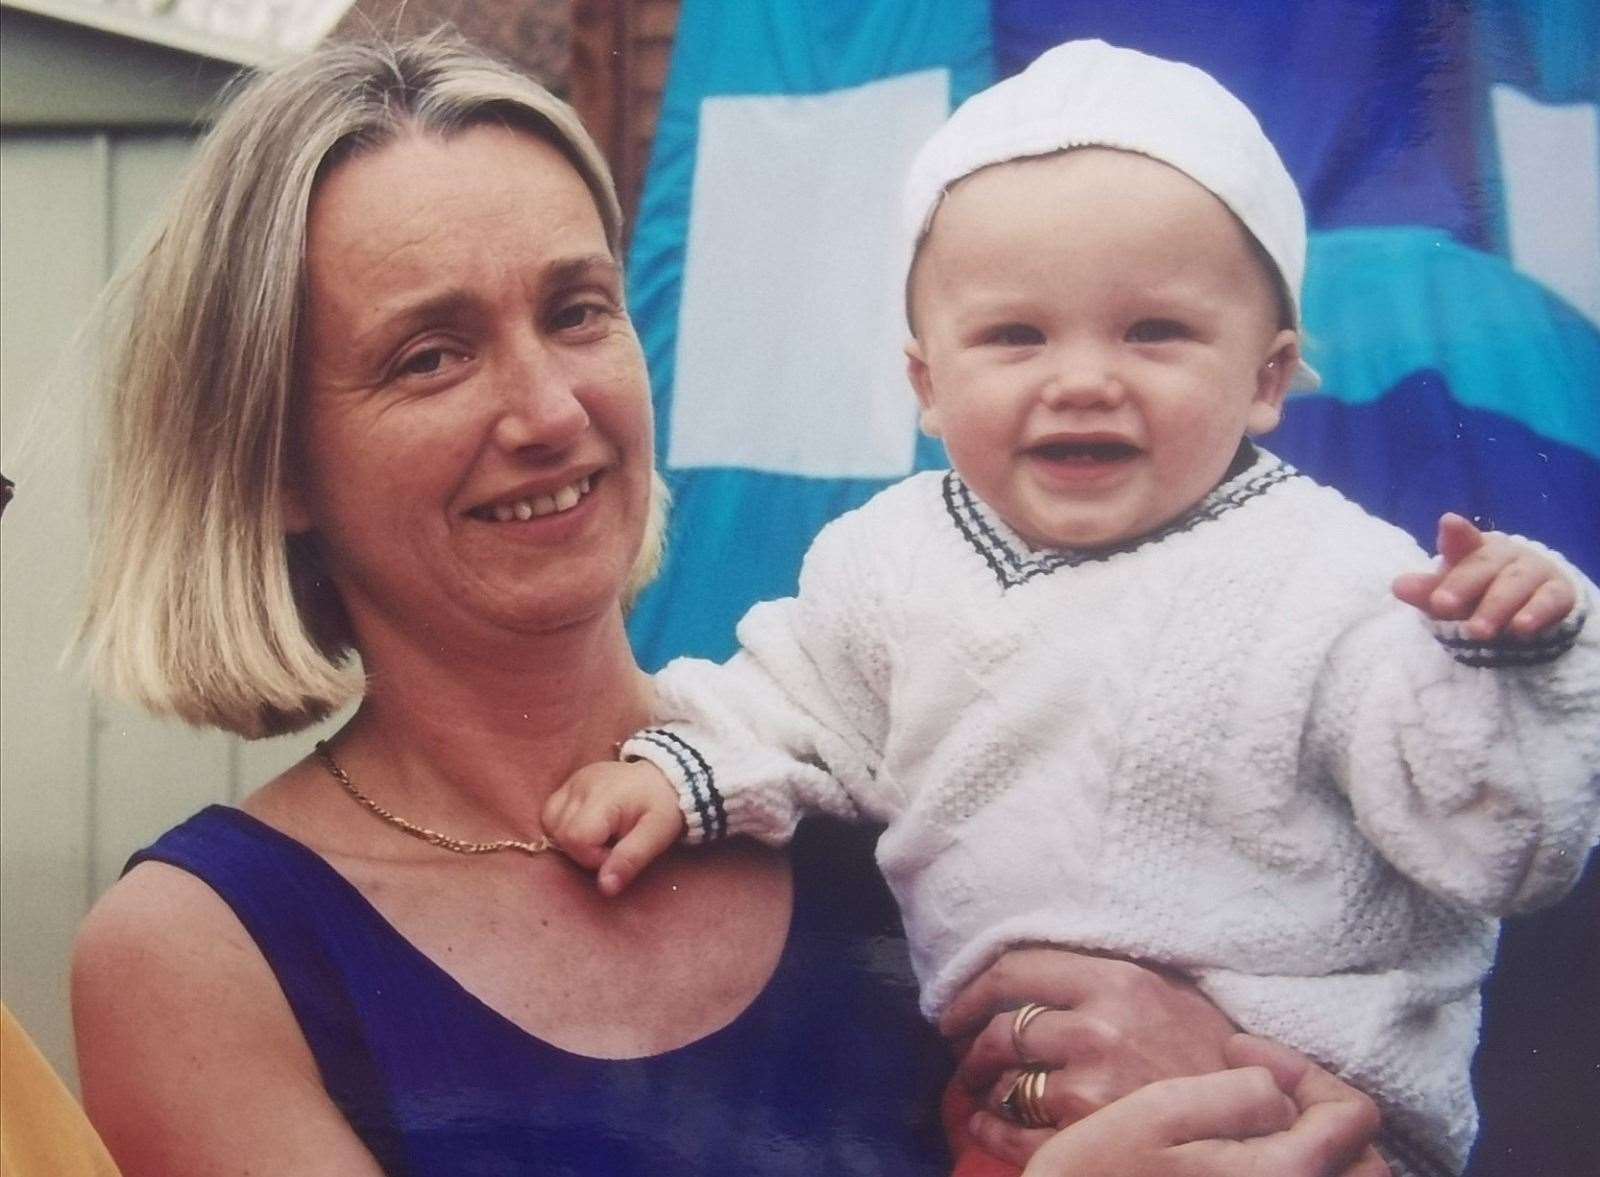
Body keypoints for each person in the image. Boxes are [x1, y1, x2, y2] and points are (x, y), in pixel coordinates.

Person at [65, 33, 1386, 1177]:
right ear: (279, 459)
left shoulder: (888, 759)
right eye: (432, 354)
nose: (548, 408)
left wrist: (1258, 1091)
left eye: (579, 312)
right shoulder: (206, 950)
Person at [544, 39, 1600, 1177]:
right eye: (1015, 335)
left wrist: (1510, 658)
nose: (1083, 377)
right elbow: (789, 700)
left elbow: (1498, 842)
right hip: (1015, 1103)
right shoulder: (892, 561)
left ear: (1264, 373)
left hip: (1302, 1108)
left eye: (1154, 332)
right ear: (927, 385)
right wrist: (672, 770)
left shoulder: (1335, 581)